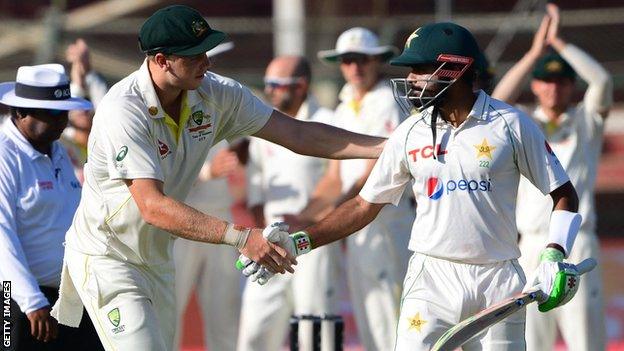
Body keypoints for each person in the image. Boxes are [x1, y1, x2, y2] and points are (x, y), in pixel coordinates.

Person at [49, 5, 386, 351]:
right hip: (109, 255)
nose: (207, 63)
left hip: (158, 258)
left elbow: (298, 134)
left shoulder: (217, 93)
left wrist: (388, 148)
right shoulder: (124, 109)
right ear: (162, 60)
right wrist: (242, 237)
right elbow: (153, 206)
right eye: (195, 55)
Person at [246, 22, 586, 350]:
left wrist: (555, 252)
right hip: (431, 278)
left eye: (419, 69)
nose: (409, 79)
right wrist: (299, 241)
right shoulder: (411, 131)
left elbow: (564, 193)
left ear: (455, 68)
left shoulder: (511, 124)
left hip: (497, 279)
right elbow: (364, 205)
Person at [492, 4, 611, 350]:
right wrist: (533, 53)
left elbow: (601, 80)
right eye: (546, 80)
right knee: (533, 341)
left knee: (585, 340)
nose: (554, 88)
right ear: (536, 85)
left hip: (576, 242)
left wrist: (558, 43)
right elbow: (498, 98)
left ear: (571, 86)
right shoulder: (524, 123)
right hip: (530, 245)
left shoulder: (586, 121)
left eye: (561, 81)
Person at [311, 27, 414, 351]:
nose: (355, 67)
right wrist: (307, 216)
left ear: (377, 61)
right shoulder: (343, 105)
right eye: (348, 60)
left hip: (386, 222)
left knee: (390, 313)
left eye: (362, 60)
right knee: (368, 311)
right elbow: (333, 176)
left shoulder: (388, 101)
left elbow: (375, 174)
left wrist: (333, 214)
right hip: (356, 224)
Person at [237, 56, 341, 351]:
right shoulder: (263, 127)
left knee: (316, 332)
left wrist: (306, 220)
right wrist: (264, 237)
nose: (269, 91)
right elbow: (255, 193)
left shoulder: (328, 122)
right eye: (267, 84)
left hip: (313, 243)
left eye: (276, 85)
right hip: (270, 244)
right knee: (254, 332)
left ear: (301, 86)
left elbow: (337, 183)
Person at [0, 64, 102, 350]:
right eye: (51, 112)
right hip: (15, 299)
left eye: (64, 112)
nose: (61, 121)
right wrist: (32, 302)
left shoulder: (56, 149)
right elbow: (1, 237)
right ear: (19, 112)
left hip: (69, 296)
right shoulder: (5, 155)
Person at [172, 41, 243, 351]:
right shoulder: (171, 108)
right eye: (204, 61)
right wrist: (206, 173)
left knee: (224, 310)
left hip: (222, 220)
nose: (211, 69)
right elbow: (163, 177)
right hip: (183, 221)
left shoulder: (225, 102)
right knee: (169, 306)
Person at [62, 38, 109, 182]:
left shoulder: (103, 138)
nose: (83, 112)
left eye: (86, 110)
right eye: (77, 111)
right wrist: (79, 65)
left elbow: (107, 107)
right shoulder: (63, 140)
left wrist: (86, 69)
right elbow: (73, 95)